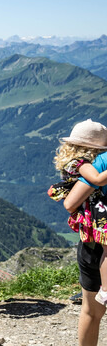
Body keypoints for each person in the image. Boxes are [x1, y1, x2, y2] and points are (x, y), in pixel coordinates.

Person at [62, 120, 107, 346]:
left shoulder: (91, 163)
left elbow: (70, 203)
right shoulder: (95, 163)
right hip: (98, 237)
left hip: (91, 240)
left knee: (91, 310)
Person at [50, 120, 107, 307]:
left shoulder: (72, 162)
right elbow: (97, 179)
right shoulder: (81, 163)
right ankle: (105, 290)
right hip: (97, 211)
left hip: (88, 212)